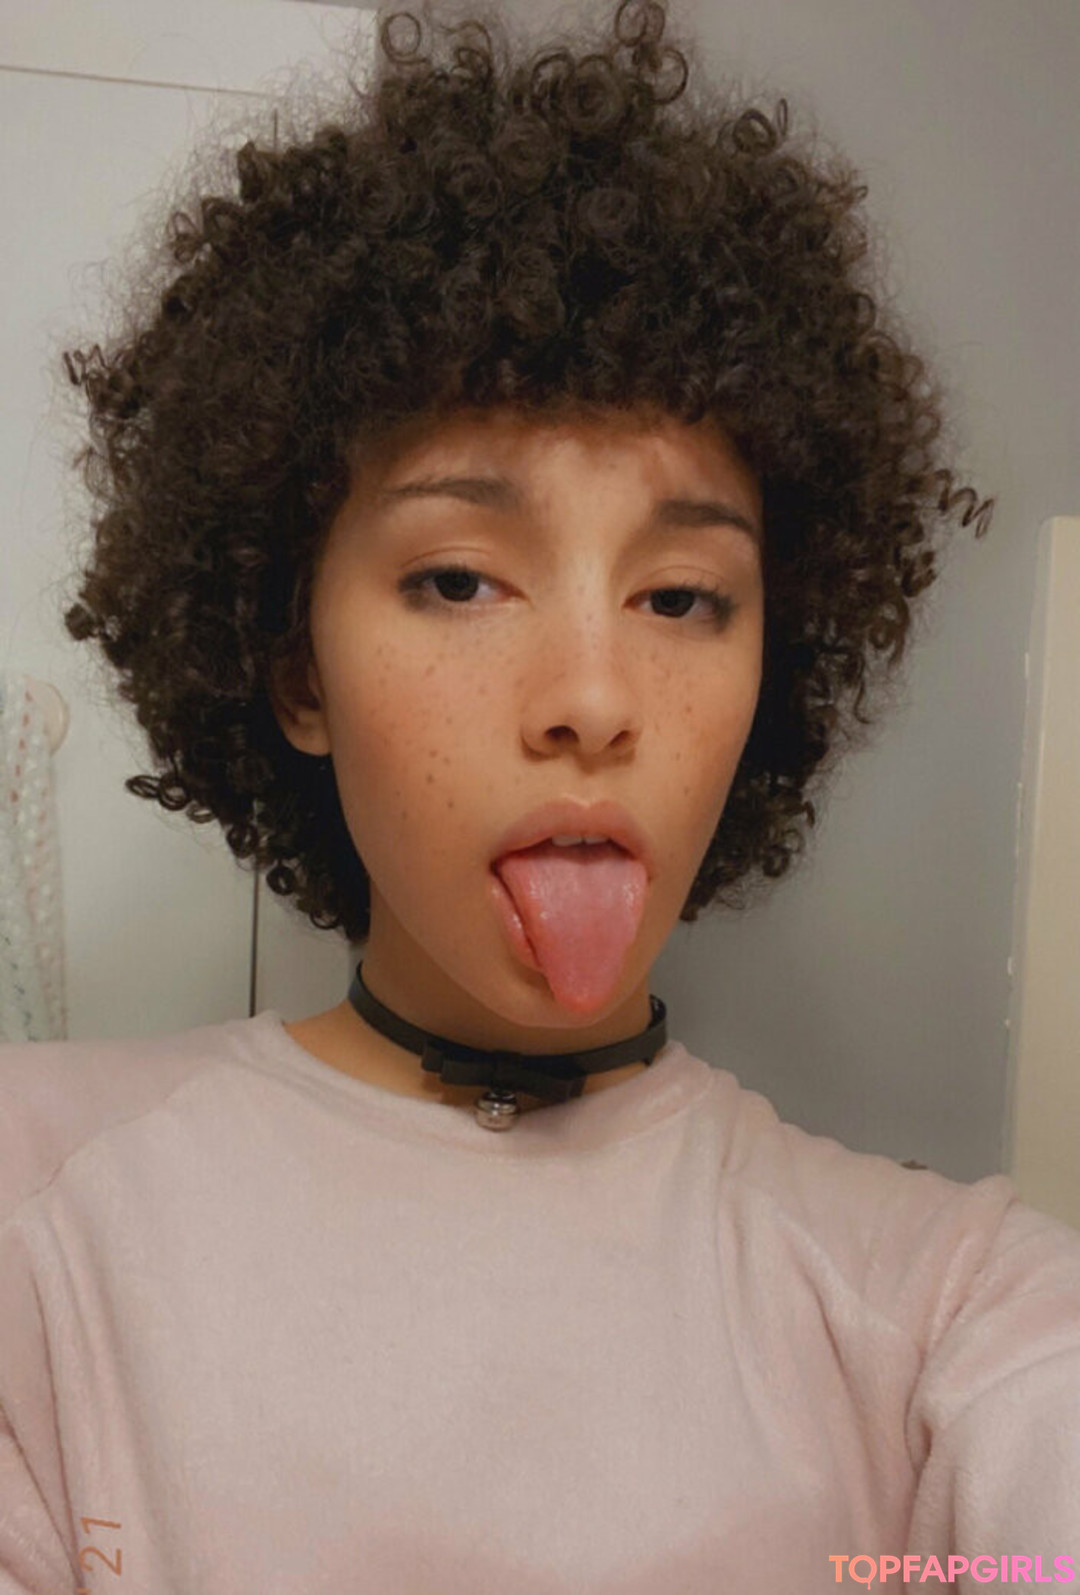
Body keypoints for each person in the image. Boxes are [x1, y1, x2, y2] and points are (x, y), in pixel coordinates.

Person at [2, 2, 1078, 1590]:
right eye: (458, 579)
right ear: (297, 671)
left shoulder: (952, 1309)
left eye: (683, 599)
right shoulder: (36, 1213)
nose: (594, 698)